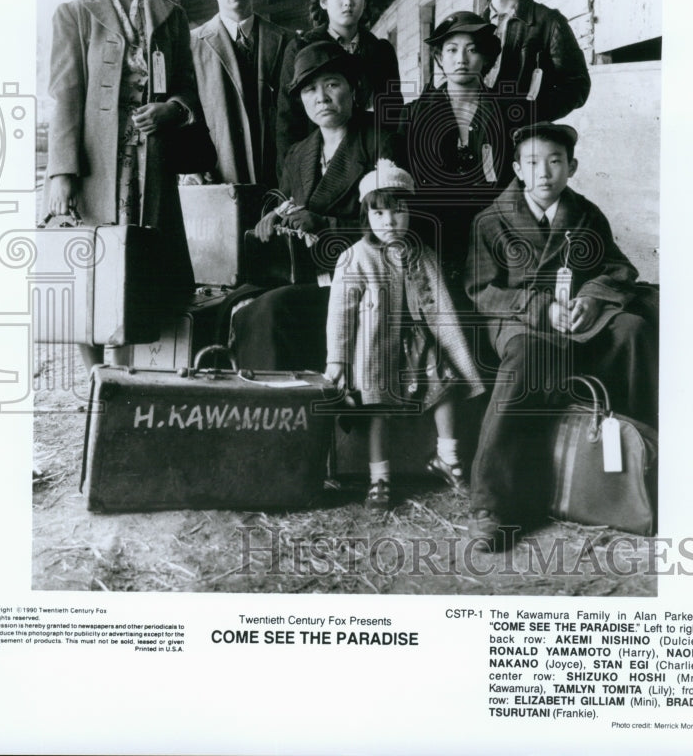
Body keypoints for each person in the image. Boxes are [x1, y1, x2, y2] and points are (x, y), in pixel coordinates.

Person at [463, 122, 658, 547]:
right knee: (528, 358)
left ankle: (638, 473)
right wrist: (541, 309)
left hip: (578, 318)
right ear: (517, 168)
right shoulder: (491, 221)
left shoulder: (585, 214)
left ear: (572, 166)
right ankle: (493, 506)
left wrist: (590, 299)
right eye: (533, 163)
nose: (545, 173)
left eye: (555, 162)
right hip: (522, 321)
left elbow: (617, 269)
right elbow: (482, 290)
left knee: (633, 330)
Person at [45, 0, 201, 368]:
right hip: (97, 170)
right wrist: (61, 174)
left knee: (144, 267)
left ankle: (132, 374)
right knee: (91, 267)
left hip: (150, 169)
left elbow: (187, 92)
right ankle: (97, 380)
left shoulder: (170, 17)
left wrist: (170, 111)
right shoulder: (75, 15)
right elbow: (65, 96)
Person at [231, 40, 404, 373]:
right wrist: (272, 219)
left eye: (332, 84)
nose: (321, 97)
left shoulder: (380, 142)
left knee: (273, 308)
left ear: (354, 90)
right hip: (305, 274)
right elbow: (284, 204)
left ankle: (282, 406)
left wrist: (323, 224)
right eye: (309, 89)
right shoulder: (298, 153)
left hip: (361, 279)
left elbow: (394, 228)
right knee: (235, 303)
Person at [325, 160, 485, 509]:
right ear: (366, 216)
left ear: (411, 213)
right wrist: (337, 361)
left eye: (398, 212)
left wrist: (455, 349)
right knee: (377, 407)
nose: (389, 221)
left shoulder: (423, 255)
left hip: (419, 345)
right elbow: (340, 314)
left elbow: (442, 307)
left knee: (444, 387)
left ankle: (448, 456)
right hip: (375, 348)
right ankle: (379, 480)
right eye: (379, 213)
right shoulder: (355, 258)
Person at [398, 12, 503, 297]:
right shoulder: (413, 116)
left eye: (472, 50)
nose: (461, 59)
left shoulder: (506, 113)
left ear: (486, 58)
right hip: (432, 239)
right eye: (452, 50)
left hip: (494, 238)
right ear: (439, 58)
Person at [275, 0, 403, 176]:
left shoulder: (380, 51)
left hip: (368, 159)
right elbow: (288, 122)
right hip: (317, 163)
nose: (349, 3)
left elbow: (391, 114)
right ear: (323, 1)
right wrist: (290, 179)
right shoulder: (301, 48)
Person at [469, 0, 590, 138]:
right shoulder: (471, 28)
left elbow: (577, 87)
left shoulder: (549, 23)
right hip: (479, 139)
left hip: (527, 141)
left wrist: (530, 115)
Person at [190, 0, 290, 187]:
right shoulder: (192, 45)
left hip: (278, 174)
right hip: (219, 175)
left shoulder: (286, 40)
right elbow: (186, 109)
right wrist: (191, 165)